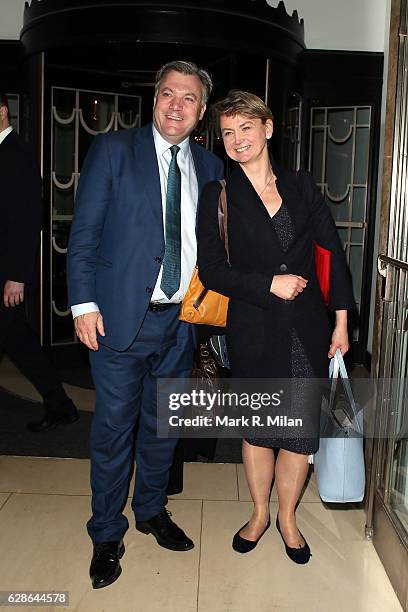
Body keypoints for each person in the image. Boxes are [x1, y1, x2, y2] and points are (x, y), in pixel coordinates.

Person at [67, 61, 223, 589]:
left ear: (202, 112)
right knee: (113, 432)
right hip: (118, 321)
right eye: (167, 94)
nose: (175, 105)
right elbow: (83, 235)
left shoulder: (210, 166)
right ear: (154, 100)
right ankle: (106, 534)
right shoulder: (114, 151)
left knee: (163, 430)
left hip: (182, 324)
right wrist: (83, 305)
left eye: (188, 98)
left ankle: (151, 511)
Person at [197, 90, 355, 563]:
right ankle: (260, 513)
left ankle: (287, 517)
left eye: (246, 128)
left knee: (299, 432)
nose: (238, 139)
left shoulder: (302, 186)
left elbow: (331, 255)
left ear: (267, 129)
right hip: (253, 328)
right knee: (257, 430)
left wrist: (342, 322)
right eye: (228, 132)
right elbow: (211, 271)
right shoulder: (218, 196)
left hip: (306, 329)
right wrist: (270, 283)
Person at [0, 93, 78, 432]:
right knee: (19, 342)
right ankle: (61, 406)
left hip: (7, 273)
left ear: (2, 111)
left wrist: (17, 276)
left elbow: (28, 218)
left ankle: (61, 406)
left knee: (18, 342)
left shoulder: (16, 154)